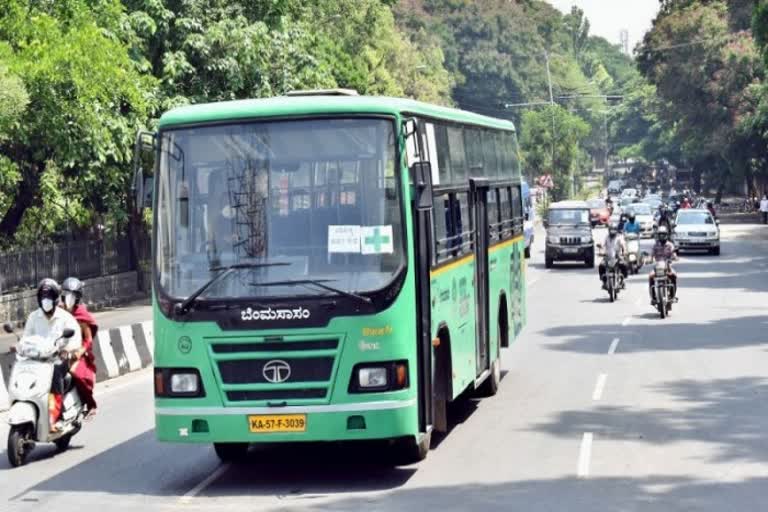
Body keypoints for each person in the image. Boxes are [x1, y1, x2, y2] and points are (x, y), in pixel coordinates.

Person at [20, 279, 82, 431]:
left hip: (58, 360)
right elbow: (26, 338)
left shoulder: (65, 318)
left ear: (55, 298)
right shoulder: (33, 317)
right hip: (37, 360)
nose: (45, 300)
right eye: (43, 296)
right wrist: (19, 347)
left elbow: (76, 338)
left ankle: (55, 415)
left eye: (49, 296)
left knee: (54, 372)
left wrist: (68, 350)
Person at [60, 277, 99, 420]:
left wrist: (79, 352)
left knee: (77, 373)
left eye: (73, 295)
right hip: (60, 349)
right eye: (66, 294)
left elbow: (88, 339)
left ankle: (91, 404)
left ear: (77, 297)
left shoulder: (81, 315)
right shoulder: (58, 310)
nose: (68, 298)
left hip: (77, 351)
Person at [649, 226, 678, 305]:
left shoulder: (670, 245)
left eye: (663, 235)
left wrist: (674, 257)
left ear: (666, 235)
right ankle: (653, 297)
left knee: (674, 275)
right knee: (650, 276)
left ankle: (673, 295)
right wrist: (649, 259)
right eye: (660, 235)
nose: (662, 236)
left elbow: (673, 253)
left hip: (667, 266)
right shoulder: (655, 245)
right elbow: (651, 255)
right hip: (657, 267)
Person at [598, 225, 628, 289]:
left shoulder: (619, 237)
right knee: (601, 266)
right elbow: (602, 245)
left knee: (624, 265)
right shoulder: (607, 237)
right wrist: (600, 250)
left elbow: (623, 245)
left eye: (613, 230)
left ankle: (623, 280)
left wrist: (624, 251)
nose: (612, 232)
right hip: (608, 256)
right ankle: (603, 281)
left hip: (617, 256)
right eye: (611, 230)